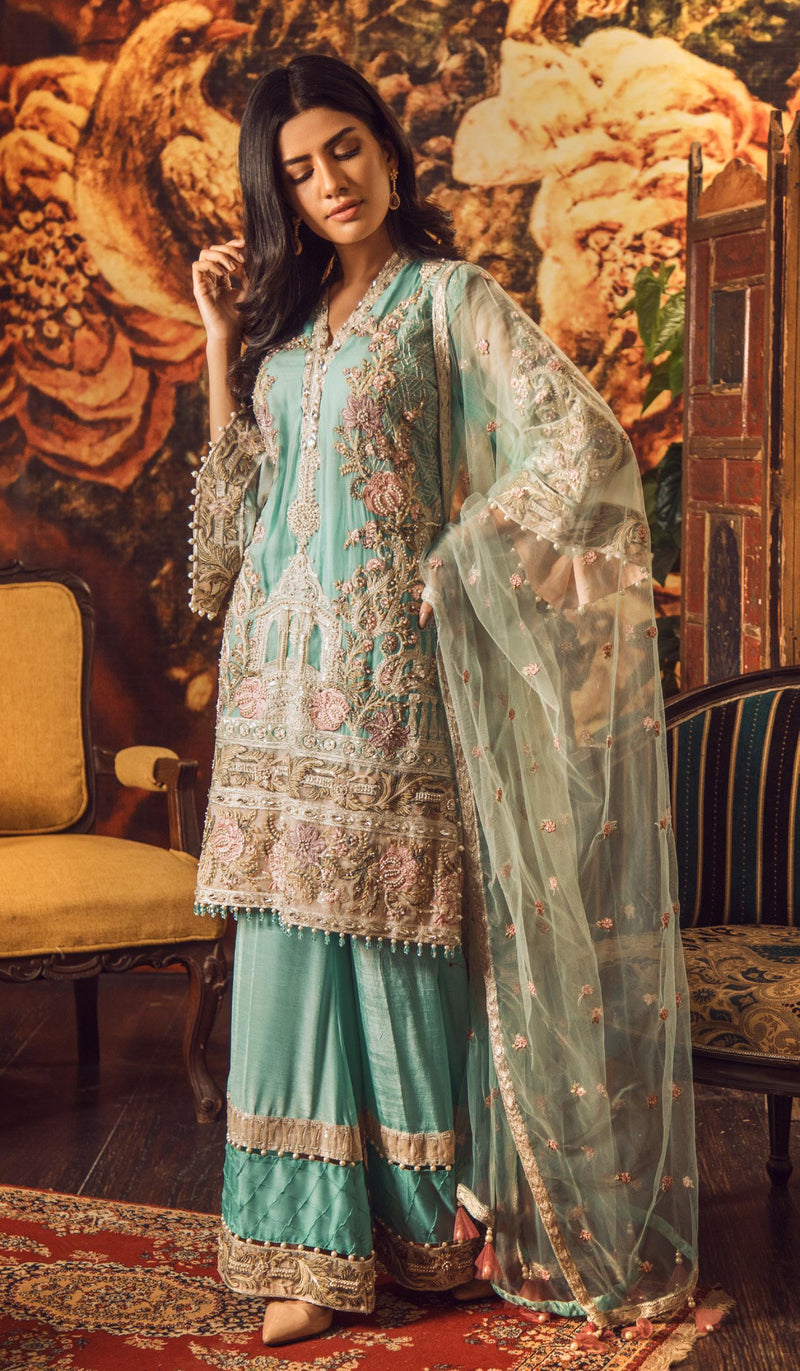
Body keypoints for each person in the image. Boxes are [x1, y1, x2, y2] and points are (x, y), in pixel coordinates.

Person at [189, 53, 698, 1348]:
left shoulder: (446, 298)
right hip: (272, 685)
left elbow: (578, 441)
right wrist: (218, 344)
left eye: (343, 149)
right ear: (276, 191)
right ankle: (305, 1248)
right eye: (298, 170)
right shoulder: (282, 329)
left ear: (385, 148)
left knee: (391, 944)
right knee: (286, 951)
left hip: (386, 683)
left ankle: (420, 1234)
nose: (328, 182)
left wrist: (461, 561)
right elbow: (230, 535)